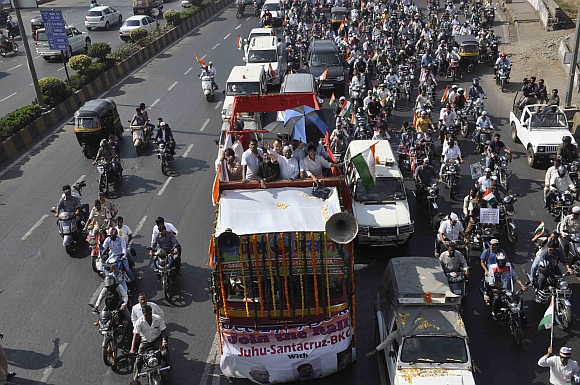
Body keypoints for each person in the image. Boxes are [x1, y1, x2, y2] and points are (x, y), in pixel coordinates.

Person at [130, 305, 169, 381]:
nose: (148, 316)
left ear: (151, 312)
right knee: (138, 359)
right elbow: (135, 335)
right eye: (146, 314)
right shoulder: (139, 322)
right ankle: (135, 378)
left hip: (156, 340)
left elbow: (163, 330)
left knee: (164, 353)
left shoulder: (157, 318)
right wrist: (132, 348)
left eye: (149, 314)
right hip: (145, 342)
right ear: (143, 314)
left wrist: (164, 340)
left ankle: (168, 367)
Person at [486, 252, 527, 319]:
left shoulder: (509, 266)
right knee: (497, 298)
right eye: (500, 261)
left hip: (507, 289)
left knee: (518, 300)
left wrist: (522, 285)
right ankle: (494, 312)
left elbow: (515, 277)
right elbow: (490, 280)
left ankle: (522, 317)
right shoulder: (492, 268)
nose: (501, 263)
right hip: (497, 289)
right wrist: (494, 287)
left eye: (503, 261)